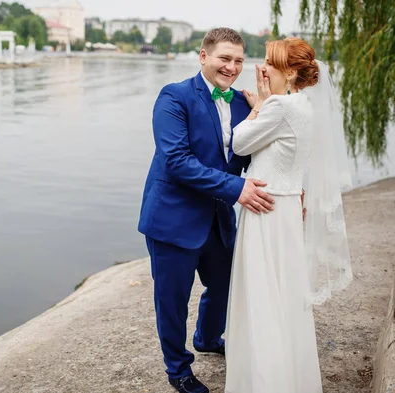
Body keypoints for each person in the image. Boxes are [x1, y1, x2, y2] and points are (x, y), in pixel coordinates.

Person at [138, 27, 275, 393]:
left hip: (218, 219)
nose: (231, 67)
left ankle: (208, 337)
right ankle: (178, 370)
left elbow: (249, 159)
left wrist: (288, 187)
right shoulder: (174, 97)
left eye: (238, 61)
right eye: (224, 58)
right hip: (173, 218)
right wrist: (237, 190)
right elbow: (176, 161)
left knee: (226, 285)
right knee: (172, 299)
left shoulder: (244, 104)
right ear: (203, 56)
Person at [225, 37, 352, 393]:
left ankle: (265, 380)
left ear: (292, 72)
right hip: (284, 208)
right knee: (282, 295)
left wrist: (260, 106)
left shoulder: (280, 106)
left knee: (263, 295)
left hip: (266, 211)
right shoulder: (304, 105)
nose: (262, 68)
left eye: (271, 63)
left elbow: (239, 144)